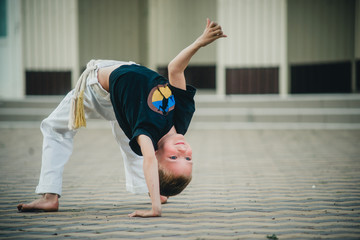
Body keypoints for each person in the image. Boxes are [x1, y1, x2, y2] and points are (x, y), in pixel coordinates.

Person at [17, 18, 226, 217]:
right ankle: (152, 189)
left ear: (156, 152)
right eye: (188, 158)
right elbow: (175, 68)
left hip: (97, 89)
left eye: (174, 158)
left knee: (55, 128)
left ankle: (49, 196)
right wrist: (200, 42)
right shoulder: (181, 119)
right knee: (130, 141)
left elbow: (150, 159)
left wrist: (155, 209)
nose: (182, 151)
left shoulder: (148, 133)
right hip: (125, 97)